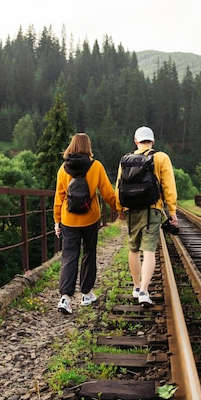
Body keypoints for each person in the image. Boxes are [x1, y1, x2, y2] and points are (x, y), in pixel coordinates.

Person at [54, 133, 121, 315]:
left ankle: (65, 298)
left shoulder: (63, 168)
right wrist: (119, 208)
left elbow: (59, 197)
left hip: (69, 219)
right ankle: (86, 294)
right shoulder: (96, 166)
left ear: (71, 146)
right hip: (90, 218)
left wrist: (57, 220)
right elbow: (107, 192)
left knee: (69, 255)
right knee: (89, 253)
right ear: (88, 147)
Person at [115, 126, 178, 305]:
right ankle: (144, 291)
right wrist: (172, 211)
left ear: (136, 141)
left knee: (133, 248)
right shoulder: (161, 157)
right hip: (152, 208)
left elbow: (119, 185)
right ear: (153, 141)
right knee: (148, 249)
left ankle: (136, 287)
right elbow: (169, 186)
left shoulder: (126, 160)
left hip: (131, 209)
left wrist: (120, 208)